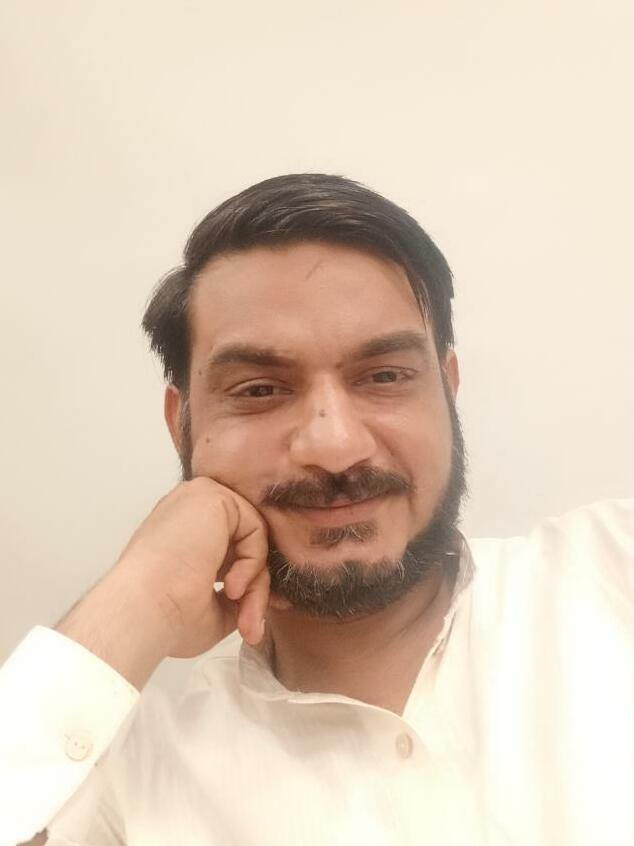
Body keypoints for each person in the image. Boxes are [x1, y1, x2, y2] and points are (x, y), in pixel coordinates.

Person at [1, 174, 632, 846]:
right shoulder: (120, 783)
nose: (335, 447)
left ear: (448, 391)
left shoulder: (613, 567)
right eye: (259, 390)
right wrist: (135, 600)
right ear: (181, 424)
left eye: (384, 377)